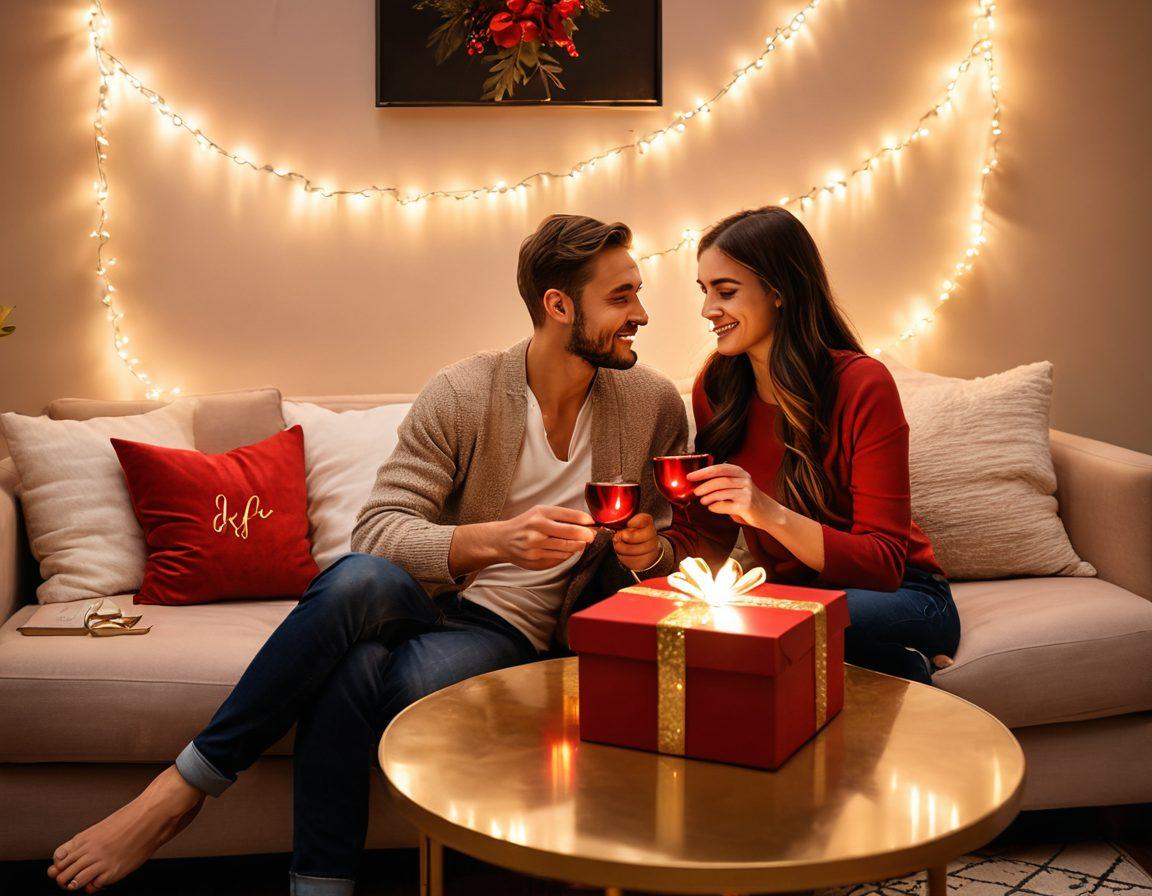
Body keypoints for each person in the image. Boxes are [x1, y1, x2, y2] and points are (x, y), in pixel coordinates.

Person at [47, 214, 687, 895]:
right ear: (558, 305)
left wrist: (653, 549)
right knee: (357, 578)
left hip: (511, 634)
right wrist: (493, 541)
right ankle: (180, 792)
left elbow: (678, 545)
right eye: (621, 297)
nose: (641, 314)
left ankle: (234, 822)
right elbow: (377, 532)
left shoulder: (649, 403)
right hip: (428, 600)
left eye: (637, 293)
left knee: (354, 671)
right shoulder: (465, 393)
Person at [662, 206, 960, 684]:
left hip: (905, 594)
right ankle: (896, 665)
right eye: (705, 291)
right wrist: (648, 551)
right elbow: (712, 537)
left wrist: (765, 512)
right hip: (793, 600)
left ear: (778, 292)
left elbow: (884, 564)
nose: (708, 310)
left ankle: (896, 660)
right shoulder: (715, 389)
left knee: (793, 626)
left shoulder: (862, 384)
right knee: (728, 629)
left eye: (726, 291)